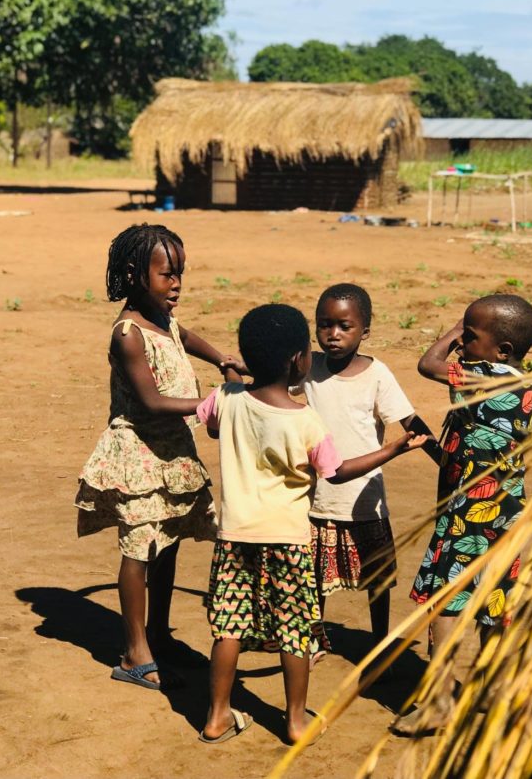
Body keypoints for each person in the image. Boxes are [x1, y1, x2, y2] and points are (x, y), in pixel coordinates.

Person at [196, 304, 426, 745]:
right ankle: (297, 721)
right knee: (295, 632)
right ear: (300, 361)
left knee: (228, 628)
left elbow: (214, 423)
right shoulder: (305, 420)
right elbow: (336, 472)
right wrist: (392, 451)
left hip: (234, 537)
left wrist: (231, 380)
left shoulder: (226, 400)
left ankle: (217, 717)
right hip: (289, 539)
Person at [75, 224, 239, 691]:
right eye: (167, 275)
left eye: (180, 274)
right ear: (134, 274)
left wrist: (221, 357)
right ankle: (134, 650)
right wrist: (211, 403)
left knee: (167, 542)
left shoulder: (162, 318)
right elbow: (149, 402)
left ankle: (157, 634)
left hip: (172, 453)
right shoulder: (127, 334)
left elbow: (183, 335)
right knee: (140, 547)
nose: (177, 285)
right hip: (139, 455)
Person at [392, 293, 532, 735]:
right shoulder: (522, 386)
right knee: (495, 598)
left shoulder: (489, 378)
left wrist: (453, 329)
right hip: (506, 513)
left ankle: (438, 701)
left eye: (471, 337)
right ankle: (495, 691)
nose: (461, 344)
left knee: (445, 601)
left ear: (502, 352)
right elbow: (476, 452)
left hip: (469, 516)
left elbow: (427, 363)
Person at [294, 283, 439, 660]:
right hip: (317, 493)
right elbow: (269, 379)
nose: (333, 335)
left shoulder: (377, 374)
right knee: (315, 577)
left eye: (344, 326)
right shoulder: (309, 366)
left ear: (365, 332)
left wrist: (447, 462)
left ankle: (379, 641)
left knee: (378, 579)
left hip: (364, 497)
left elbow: (411, 422)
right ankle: (314, 637)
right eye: (325, 325)